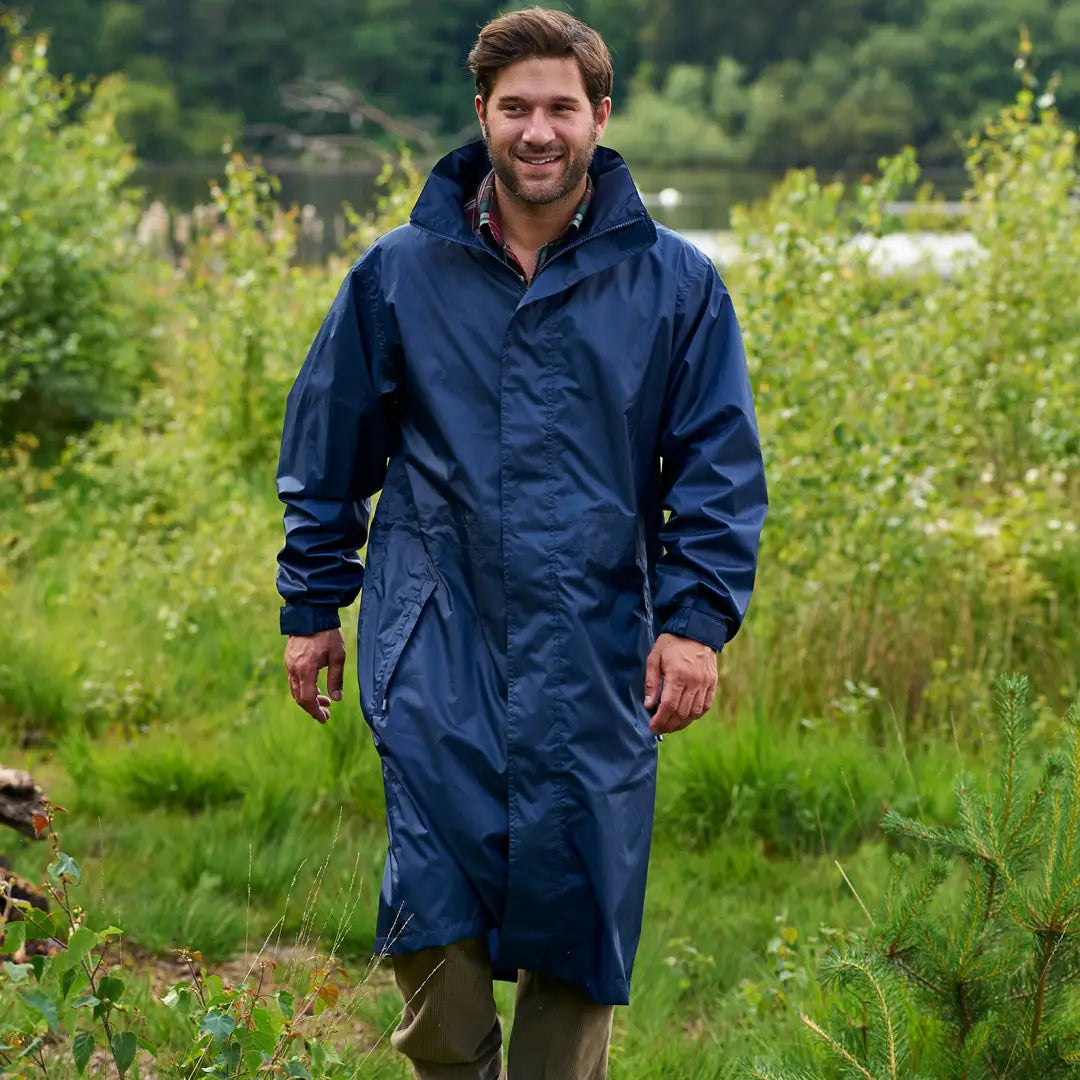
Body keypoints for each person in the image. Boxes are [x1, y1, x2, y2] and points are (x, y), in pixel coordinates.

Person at [276, 7, 767, 1078]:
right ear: (483, 117)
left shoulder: (676, 284)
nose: (537, 131)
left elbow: (721, 472)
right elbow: (326, 448)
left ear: (600, 115)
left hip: (598, 642)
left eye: (559, 108)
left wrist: (695, 626)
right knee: (432, 906)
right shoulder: (399, 273)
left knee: (579, 918)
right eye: (515, 108)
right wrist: (313, 607)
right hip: (433, 630)